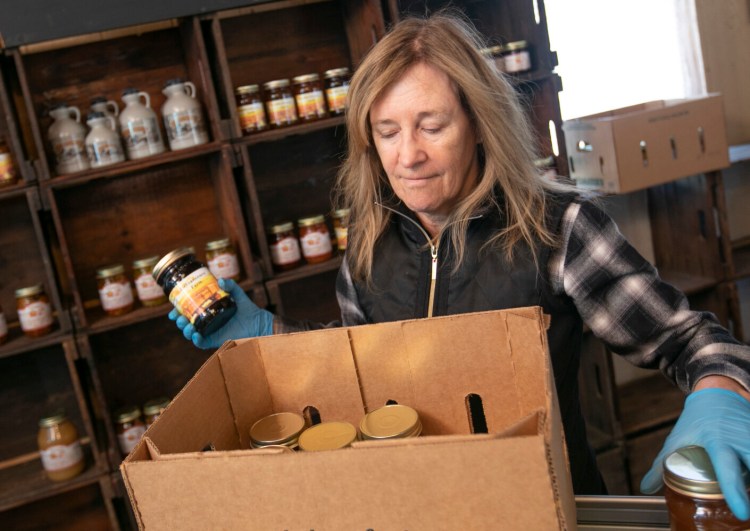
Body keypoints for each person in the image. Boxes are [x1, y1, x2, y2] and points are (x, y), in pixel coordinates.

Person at [171, 12, 750, 519]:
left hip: (545, 507)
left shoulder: (556, 229)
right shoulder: (369, 244)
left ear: (478, 123)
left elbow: (693, 342)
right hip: (417, 510)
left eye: (432, 125)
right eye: (388, 131)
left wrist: (721, 394)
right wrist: (267, 338)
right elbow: (356, 383)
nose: (409, 155)